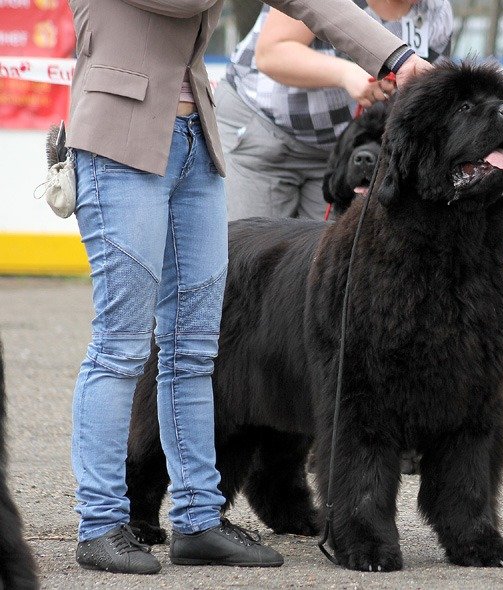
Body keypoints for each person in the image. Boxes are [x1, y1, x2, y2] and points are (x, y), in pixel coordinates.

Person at [64, 0, 431, 575]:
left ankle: (197, 519)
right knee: (122, 345)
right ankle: (102, 523)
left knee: (195, 347)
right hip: (119, 141)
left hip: (195, 140)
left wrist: (399, 57)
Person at [218, 0, 453, 221]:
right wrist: (346, 74)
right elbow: (271, 53)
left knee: (317, 255)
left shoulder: (437, 10)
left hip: (337, 158)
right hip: (263, 136)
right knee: (255, 251)